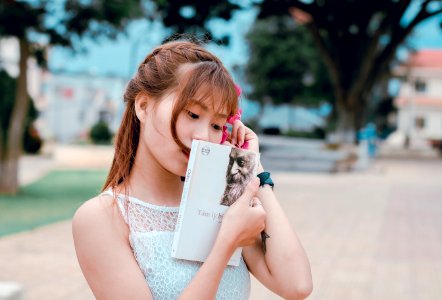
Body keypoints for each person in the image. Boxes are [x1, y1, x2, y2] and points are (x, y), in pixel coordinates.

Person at [72, 40, 312, 300]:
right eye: (193, 114)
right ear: (143, 106)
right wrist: (225, 243)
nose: (204, 137)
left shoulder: (222, 203)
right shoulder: (102, 218)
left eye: (218, 125)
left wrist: (254, 171)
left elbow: (297, 285)